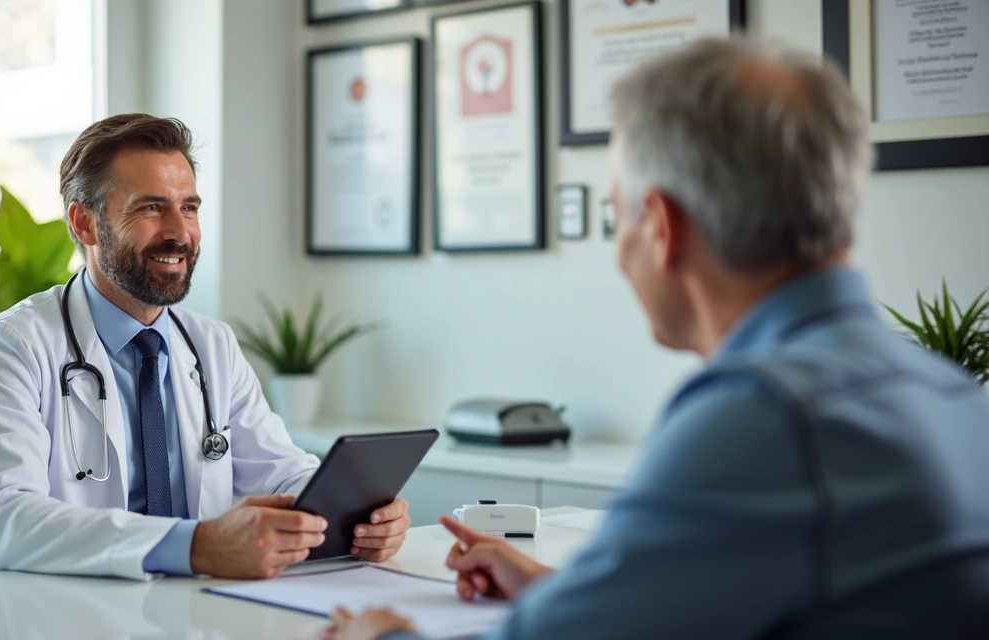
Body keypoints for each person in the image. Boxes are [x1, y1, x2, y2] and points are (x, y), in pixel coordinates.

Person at [323, 37, 989, 640]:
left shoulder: (761, 419)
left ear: (664, 227)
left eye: (618, 215)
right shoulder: (951, 392)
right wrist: (567, 593)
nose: (618, 253)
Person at [0, 114, 410, 580]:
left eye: (189, 207)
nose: (180, 232)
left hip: (174, 611)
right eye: (150, 207)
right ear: (84, 224)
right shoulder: (8, 346)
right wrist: (195, 546)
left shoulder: (211, 345)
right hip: (23, 614)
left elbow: (282, 472)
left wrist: (357, 516)